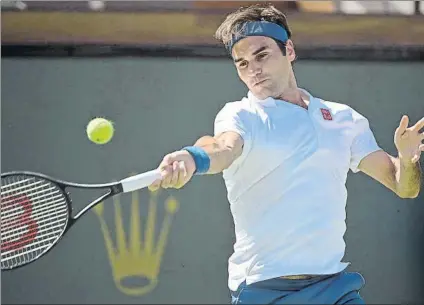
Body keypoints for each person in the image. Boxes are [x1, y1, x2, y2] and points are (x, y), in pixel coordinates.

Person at [148, 4, 423, 304]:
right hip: (264, 290)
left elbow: (403, 186)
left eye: (262, 55)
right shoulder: (241, 114)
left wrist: (408, 160)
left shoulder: (344, 119)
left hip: (333, 288)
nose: (253, 69)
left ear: (289, 50)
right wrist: (191, 158)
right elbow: (221, 147)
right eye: (242, 63)